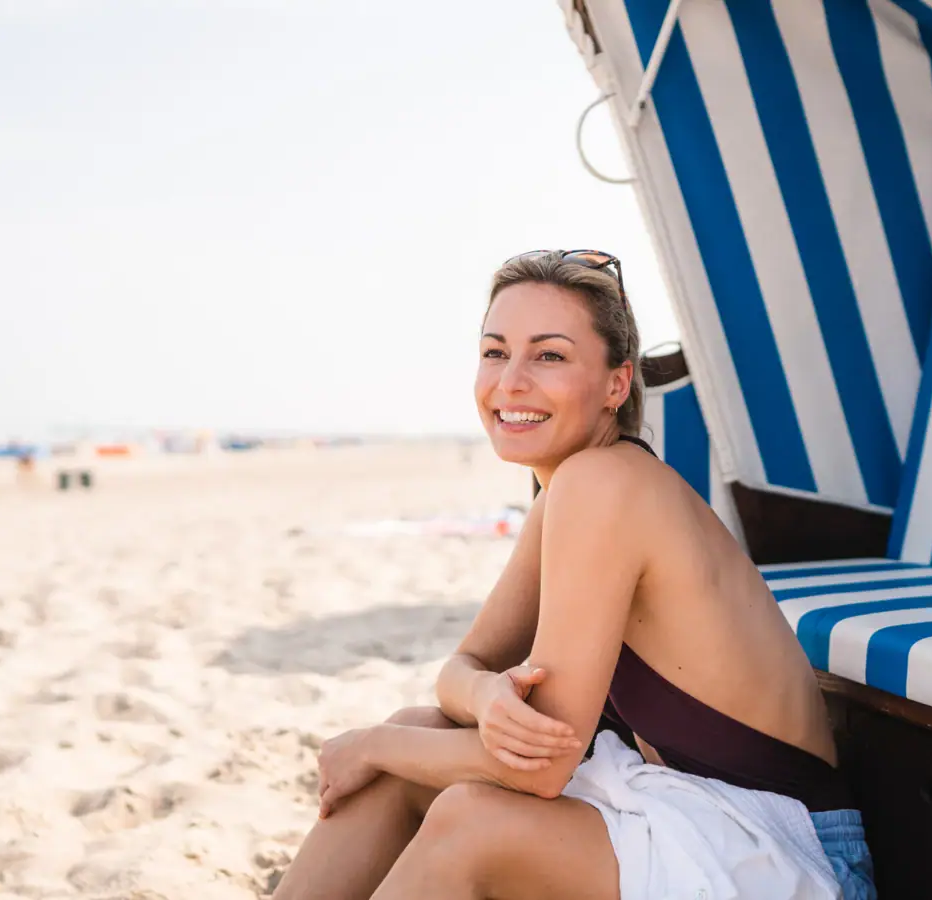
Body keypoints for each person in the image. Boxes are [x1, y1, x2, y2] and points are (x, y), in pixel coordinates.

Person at [271, 250, 875, 900]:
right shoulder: (565, 492)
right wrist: (480, 698)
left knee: (464, 817)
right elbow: (462, 666)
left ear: (617, 385)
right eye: (496, 352)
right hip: (676, 811)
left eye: (549, 355)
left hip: (783, 850)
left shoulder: (604, 482)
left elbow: (541, 768)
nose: (511, 382)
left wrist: (368, 744)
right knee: (416, 734)